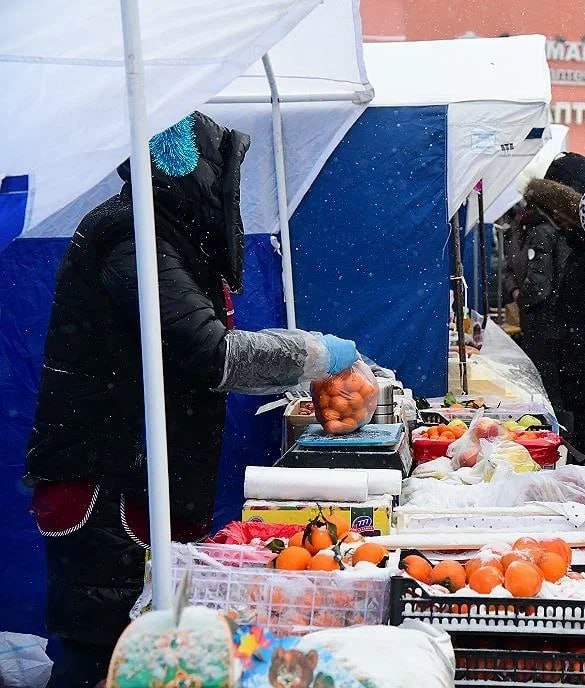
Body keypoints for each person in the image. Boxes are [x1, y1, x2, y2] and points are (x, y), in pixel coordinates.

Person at [23, 112, 360, 688]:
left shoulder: (162, 236)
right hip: (109, 484)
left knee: (139, 650)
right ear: (199, 174)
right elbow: (211, 352)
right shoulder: (132, 238)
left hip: (136, 474)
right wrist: (319, 355)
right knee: (107, 647)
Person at [512, 153, 585, 427]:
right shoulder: (558, 233)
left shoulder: (536, 225)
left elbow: (532, 280)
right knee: (559, 401)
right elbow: (540, 284)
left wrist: (520, 298)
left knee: (554, 399)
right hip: (559, 335)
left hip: (555, 334)